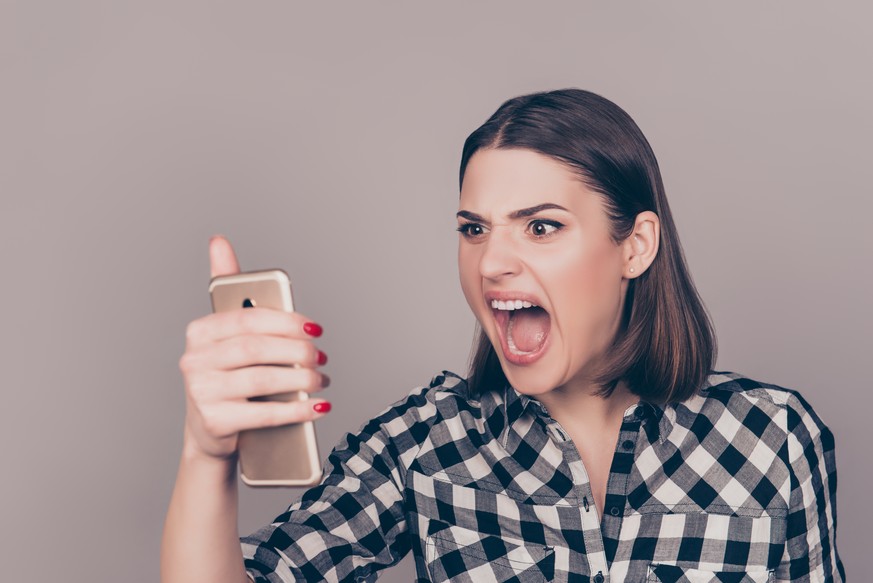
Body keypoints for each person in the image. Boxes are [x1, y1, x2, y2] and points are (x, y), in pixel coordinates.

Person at [161, 89, 845, 582]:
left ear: (634, 247)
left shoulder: (774, 438)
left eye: (540, 226)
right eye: (473, 228)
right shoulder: (426, 443)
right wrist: (205, 453)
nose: (490, 262)